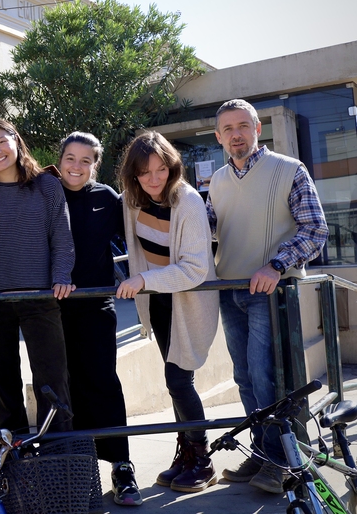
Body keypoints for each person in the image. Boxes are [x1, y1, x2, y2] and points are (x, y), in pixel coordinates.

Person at [207, 98, 328, 493]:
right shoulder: (217, 183)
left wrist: (275, 265)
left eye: (243, 126)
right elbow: (205, 233)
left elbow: (314, 229)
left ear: (258, 129)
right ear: (218, 136)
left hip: (270, 292)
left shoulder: (289, 169)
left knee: (266, 380)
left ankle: (279, 462)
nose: (236, 134)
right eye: (228, 129)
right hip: (229, 292)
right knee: (244, 379)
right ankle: (262, 454)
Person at [116, 131, 219, 493]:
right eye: (145, 172)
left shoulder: (187, 201)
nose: (154, 178)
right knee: (174, 383)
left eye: (161, 169)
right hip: (159, 302)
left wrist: (143, 278)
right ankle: (185, 455)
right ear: (134, 175)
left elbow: (194, 269)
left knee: (179, 381)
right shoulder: (132, 201)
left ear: (173, 168)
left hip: (188, 302)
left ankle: (202, 461)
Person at [0, 118, 74, 434]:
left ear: (16, 141)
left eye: (1, 142)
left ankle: (57, 455)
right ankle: (15, 459)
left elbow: (61, 237)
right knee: (2, 383)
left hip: (41, 297)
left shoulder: (47, 186)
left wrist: (61, 275)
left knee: (52, 378)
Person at [57, 131, 140, 506]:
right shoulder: (44, 193)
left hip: (96, 307)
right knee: (62, 387)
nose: (77, 166)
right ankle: (73, 468)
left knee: (103, 382)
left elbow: (139, 234)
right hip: (49, 310)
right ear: (60, 160)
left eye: (85, 160)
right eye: (70, 158)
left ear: (96, 165)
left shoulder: (106, 197)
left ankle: (121, 466)